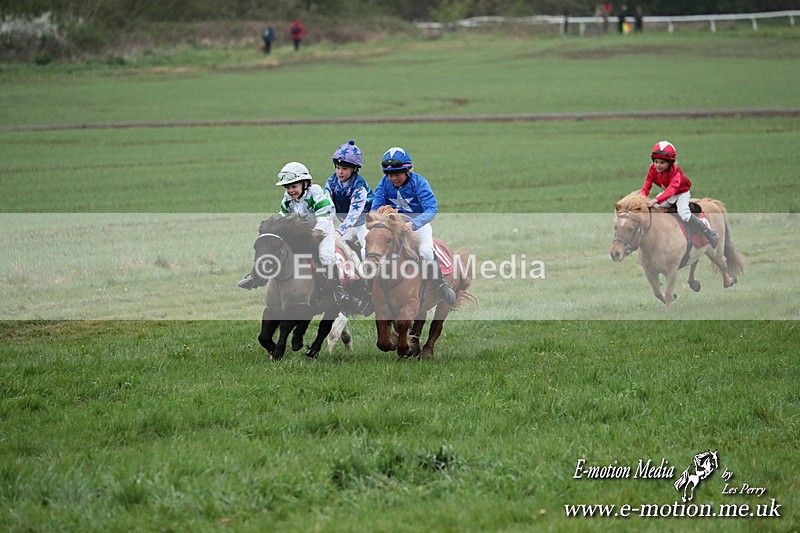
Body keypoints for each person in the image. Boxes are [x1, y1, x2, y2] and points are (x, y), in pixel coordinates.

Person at [238, 162, 345, 295]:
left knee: (325, 256)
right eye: (287, 187)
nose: (290, 191)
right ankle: (256, 277)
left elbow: (324, 219)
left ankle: (338, 289)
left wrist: (314, 234)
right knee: (271, 249)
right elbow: (283, 216)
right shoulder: (287, 198)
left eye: (294, 186)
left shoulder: (317, 193)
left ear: (305, 184)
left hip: (322, 231)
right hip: (300, 232)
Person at [370, 146, 457, 305]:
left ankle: (440, 285)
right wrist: (379, 221)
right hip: (392, 227)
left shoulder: (419, 182)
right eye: (390, 175)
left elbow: (432, 208)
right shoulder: (384, 183)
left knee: (425, 252)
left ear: (407, 170)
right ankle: (369, 288)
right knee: (367, 249)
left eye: (397, 174)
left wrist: (414, 224)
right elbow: (375, 206)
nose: (393, 178)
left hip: (418, 226)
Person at [640, 141, 719, 248]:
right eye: (656, 161)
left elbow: (672, 190)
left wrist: (656, 200)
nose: (658, 165)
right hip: (667, 193)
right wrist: (642, 198)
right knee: (654, 209)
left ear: (670, 163)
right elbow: (647, 184)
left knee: (684, 214)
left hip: (681, 193)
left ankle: (708, 232)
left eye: (662, 163)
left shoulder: (675, 171)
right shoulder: (652, 169)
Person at [325, 140, 373, 256]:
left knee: (366, 251)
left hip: (364, 224)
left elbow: (354, 214)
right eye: (338, 167)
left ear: (354, 169)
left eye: (344, 169)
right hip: (347, 225)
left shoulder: (359, 187)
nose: (339, 172)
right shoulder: (331, 182)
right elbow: (326, 205)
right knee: (333, 249)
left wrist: (339, 232)